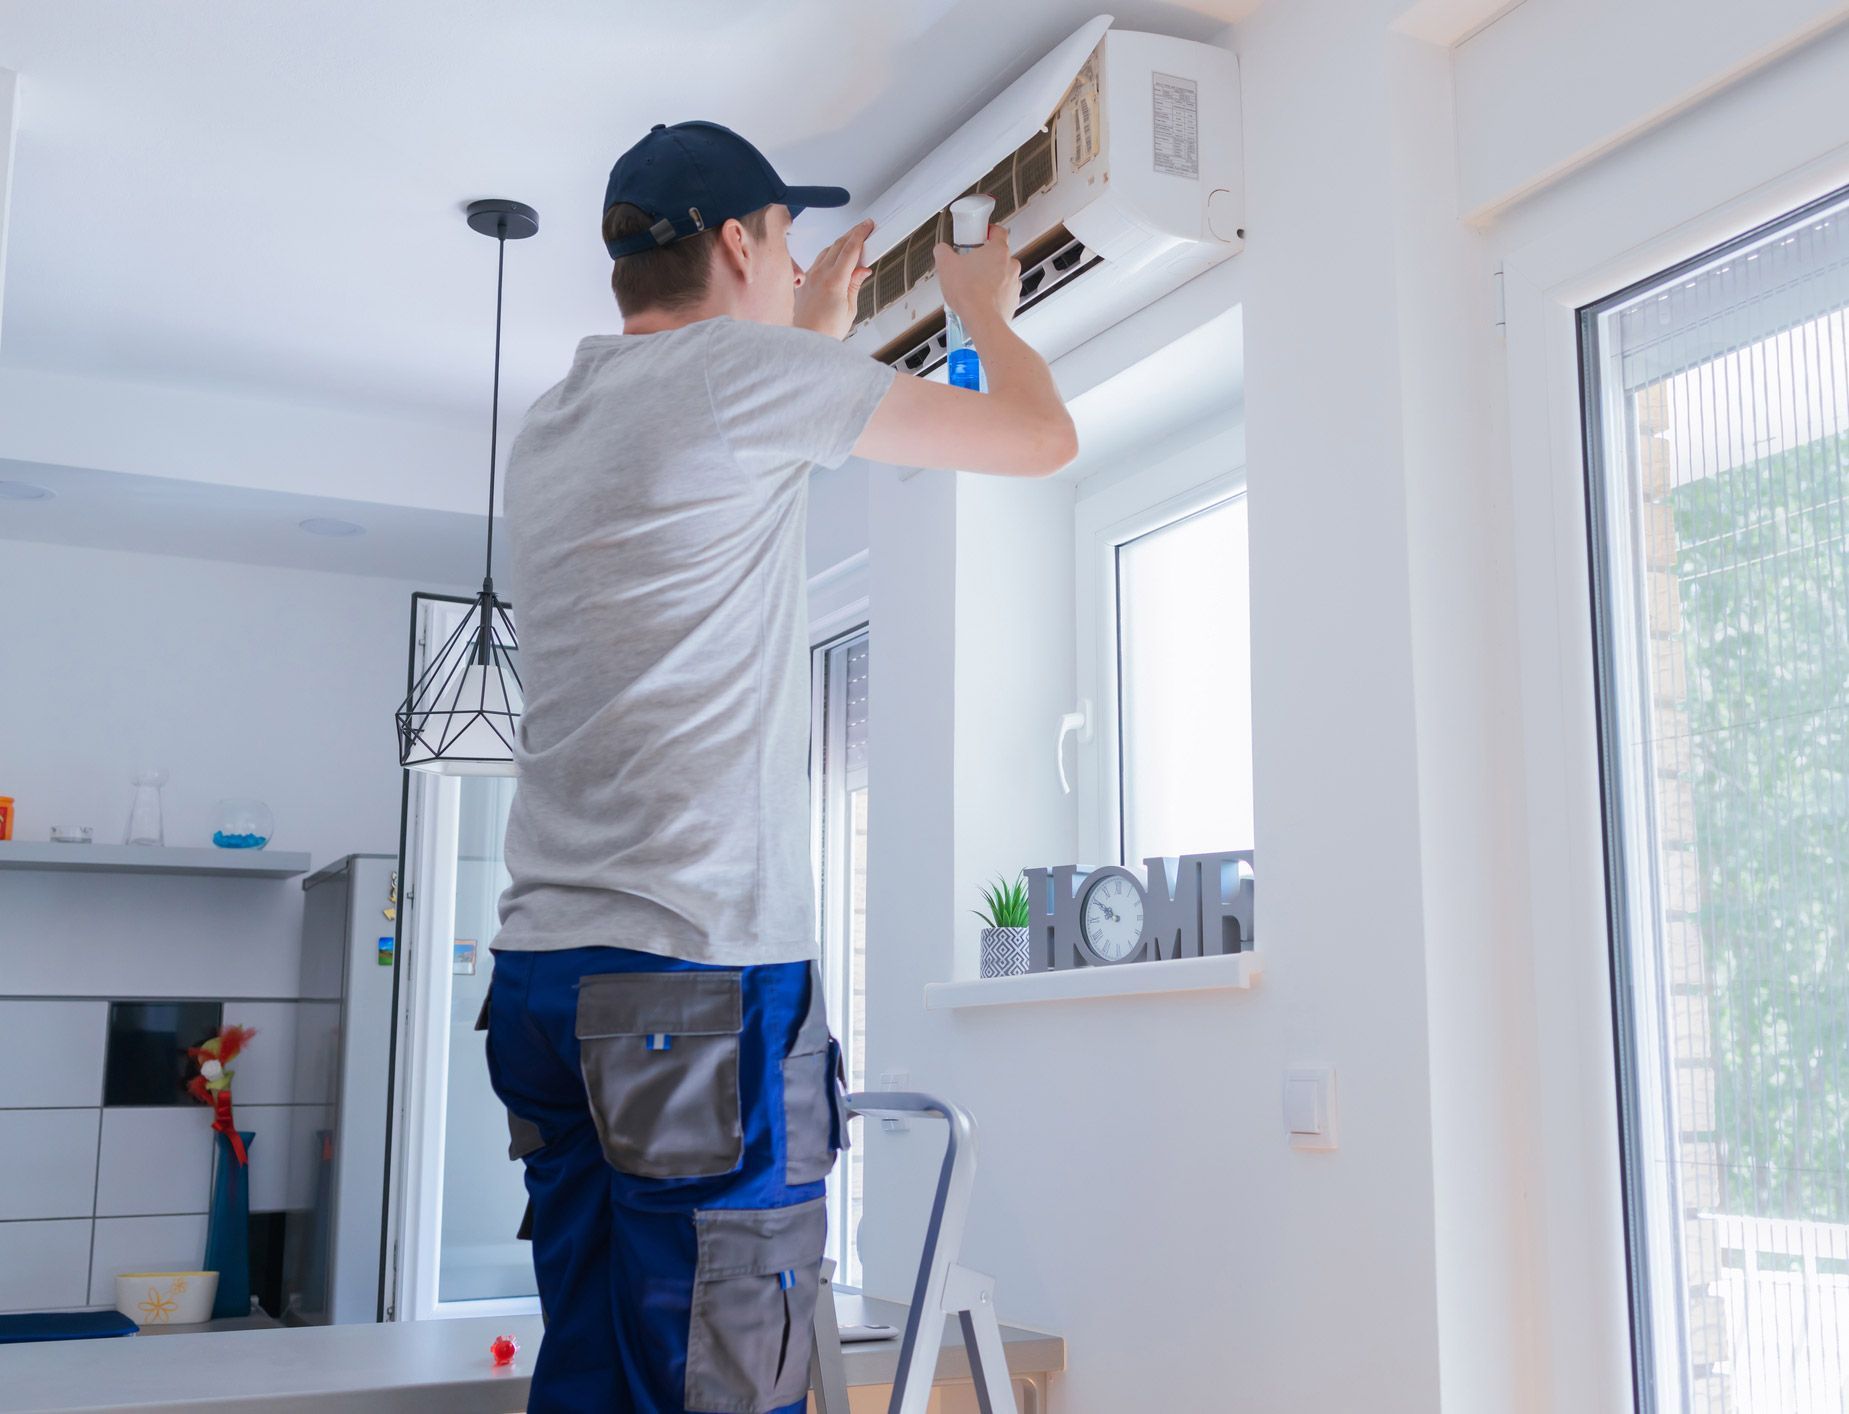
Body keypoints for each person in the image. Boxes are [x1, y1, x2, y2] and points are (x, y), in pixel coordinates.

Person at [484, 119, 1076, 1414]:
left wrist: (809, 333)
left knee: (606, 1359)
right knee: (728, 1366)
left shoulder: (556, 421)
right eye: (783, 238)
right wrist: (983, 307)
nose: (791, 258)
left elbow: (719, 456)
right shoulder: (741, 379)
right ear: (739, 241)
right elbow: (1039, 438)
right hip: (687, 982)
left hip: (543, 983)